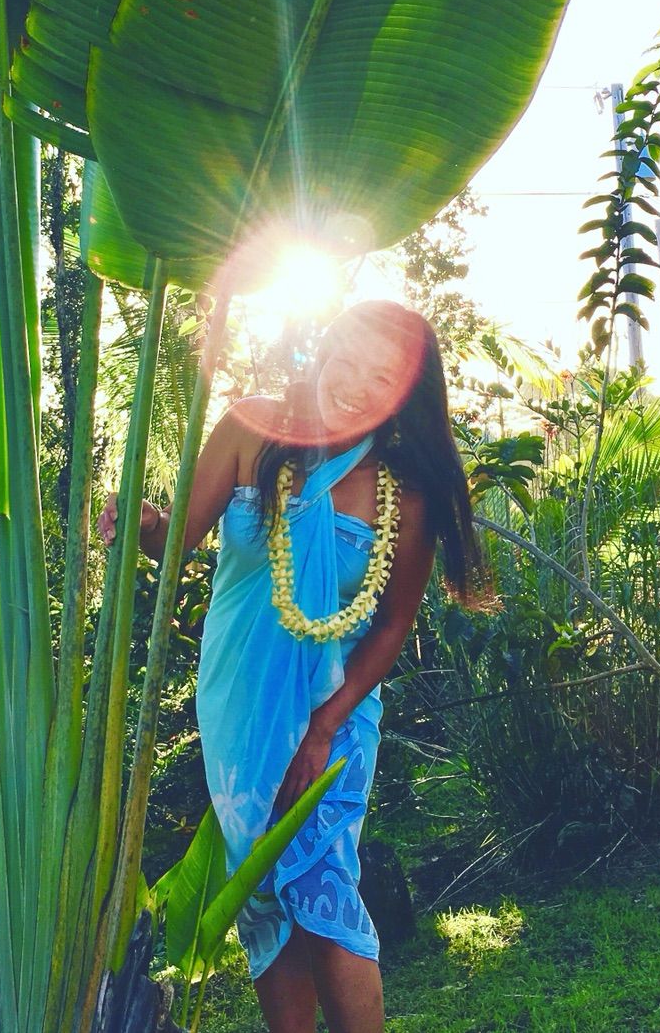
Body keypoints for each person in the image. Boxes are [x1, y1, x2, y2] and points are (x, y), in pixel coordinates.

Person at [99, 300, 478, 1033]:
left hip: (334, 715)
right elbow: (174, 543)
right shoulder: (251, 428)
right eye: (350, 359)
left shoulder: (404, 492)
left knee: (324, 884)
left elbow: (392, 625)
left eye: (383, 378)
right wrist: (143, 524)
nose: (357, 385)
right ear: (323, 347)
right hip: (239, 704)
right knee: (265, 895)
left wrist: (324, 727)